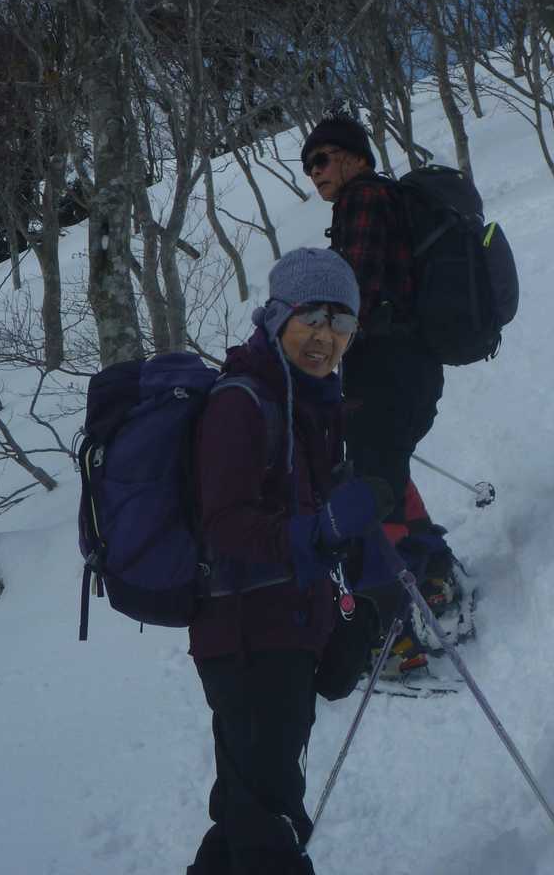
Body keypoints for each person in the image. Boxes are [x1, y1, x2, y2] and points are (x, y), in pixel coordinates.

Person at [187, 247, 390, 875]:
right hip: (245, 636)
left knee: (248, 811)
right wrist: (321, 531)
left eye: (342, 322)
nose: (326, 337)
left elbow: (318, 518)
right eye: (313, 318)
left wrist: (368, 576)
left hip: (290, 627)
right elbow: (223, 526)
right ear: (278, 317)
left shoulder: (314, 404)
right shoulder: (242, 403)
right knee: (268, 819)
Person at [299, 113, 465, 672]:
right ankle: (434, 572)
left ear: (354, 157)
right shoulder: (381, 200)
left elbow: (356, 296)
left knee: (368, 491)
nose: (315, 173)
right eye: (308, 167)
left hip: (387, 371)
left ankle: (391, 634)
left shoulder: (364, 200)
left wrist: (308, 351)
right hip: (410, 369)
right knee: (385, 473)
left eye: (322, 159)